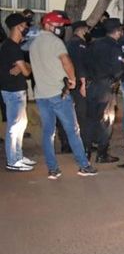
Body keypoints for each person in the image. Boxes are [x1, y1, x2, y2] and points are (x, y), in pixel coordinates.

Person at [29, 11, 97, 179]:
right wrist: (73, 80)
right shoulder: (55, 42)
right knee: (73, 130)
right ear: (47, 24)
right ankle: (84, 165)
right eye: (58, 25)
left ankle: (53, 169)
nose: (61, 28)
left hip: (41, 94)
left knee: (48, 132)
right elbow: (66, 61)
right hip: (58, 94)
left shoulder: (34, 42)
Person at [85, 18, 124, 163]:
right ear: (118, 31)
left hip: (91, 85)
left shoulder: (94, 44)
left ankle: (86, 151)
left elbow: (86, 63)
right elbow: (117, 70)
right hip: (105, 86)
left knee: (90, 119)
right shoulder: (114, 47)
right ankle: (102, 153)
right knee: (106, 120)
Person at [0, 13, 36, 171]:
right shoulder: (11, 47)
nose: (26, 28)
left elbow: (23, 69)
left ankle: (18, 156)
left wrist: (24, 66)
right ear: (17, 27)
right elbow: (27, 72)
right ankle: (13, 160)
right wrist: (26, 66)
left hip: (17, 90)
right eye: (24, 25)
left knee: (21, 125)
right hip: (13, 91)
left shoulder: (12, 46)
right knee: (14, 126)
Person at [57, 20, 90, 153]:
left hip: (67, 83)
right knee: (81, 115)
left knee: (65, 114)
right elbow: (80, 65)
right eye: (87, 30)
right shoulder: (80, 44)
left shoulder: (68, 43)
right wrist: (82, 84)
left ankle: (65, 143)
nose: (88, 33)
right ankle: (79, 144)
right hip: (76, 83)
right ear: (82, 30)